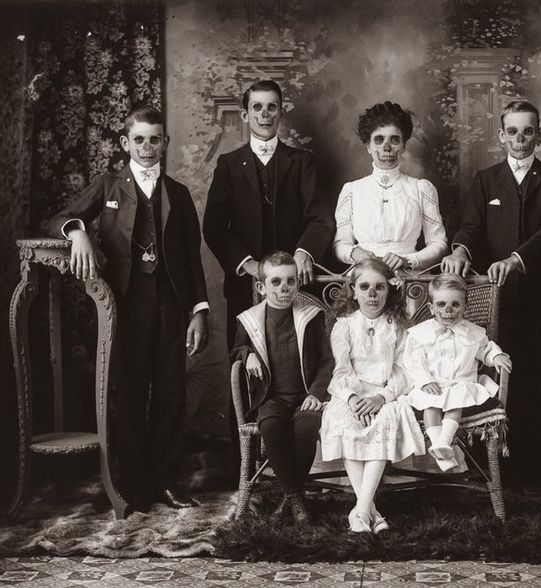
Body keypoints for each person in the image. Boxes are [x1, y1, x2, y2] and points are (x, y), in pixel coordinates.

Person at [48, 104, 209, 512]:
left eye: (155, 139)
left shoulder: (179, 193)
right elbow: (60, 218)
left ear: (165, 143)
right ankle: (134, 484)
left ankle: (167, 482)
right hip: (127, 304)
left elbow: (192, 258)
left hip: (172, 304)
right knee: (131, 393)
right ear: (126, 143)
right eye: (139, 139)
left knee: (172, 393)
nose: (147, 146)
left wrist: (199, 311)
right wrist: (78, 232)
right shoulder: (107, 187)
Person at [441, 100, 541, 484]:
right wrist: (460, 249)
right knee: (492, 376)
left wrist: (515, 260)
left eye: (527, 131)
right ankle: (493, 467)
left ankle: (534, 467)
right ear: (501, 135)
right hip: (493, 298)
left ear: (538, 134)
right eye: (512, 131)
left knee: (534, 377)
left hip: (536, 296)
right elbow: (470, 225)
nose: (520, 138)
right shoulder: (486, 179)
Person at [203, 79, 335, 347]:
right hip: (245, 286)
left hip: (296, 284)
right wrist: (248, 265)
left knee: (299, 356)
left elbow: (320, 218)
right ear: (245, 114)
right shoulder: (228, 165)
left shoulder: (301, 162)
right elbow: (214, 227)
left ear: (281, 113)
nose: (265, 114)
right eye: (257, 107)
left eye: (271, 107)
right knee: (245, 359)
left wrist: (303, 253)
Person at [320, 259, 425, 533]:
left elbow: (403, 370)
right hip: (351, 395)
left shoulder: (397, 326)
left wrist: (382, 397)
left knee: (386, 419)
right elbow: (340, 370)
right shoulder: (344, 326)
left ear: (389, 290)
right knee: (346, 421)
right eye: (365, 287)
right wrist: (353, 398)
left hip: (385, 395)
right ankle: (372, 513)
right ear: (353, 290)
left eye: (379, 287)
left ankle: (361, 511)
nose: (372, 294)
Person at [232, 251, 334, 524]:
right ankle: (296, 499)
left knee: (307, 428)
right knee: (271, 428)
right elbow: (236, 350)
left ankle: (290, 498)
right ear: (261, 287)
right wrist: (247, 354)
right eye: (276, 282)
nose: (284, 288)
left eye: (290, 281)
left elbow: (326, 361)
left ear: (298, 283)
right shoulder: (250, 319)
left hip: (305, 397)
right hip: (272, 398)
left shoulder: (310, 317)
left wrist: (315, 393)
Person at [404, 274, 513, 471]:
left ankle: (443, 441)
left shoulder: (473, 331)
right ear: (431, 308)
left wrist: (496, 357)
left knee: (457, 400)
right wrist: (424, 381)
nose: (448, 310)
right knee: (430, 403)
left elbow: (485, 349)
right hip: (432, 384)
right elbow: (412, 361)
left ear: (465, 307)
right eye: (441, 304)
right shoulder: (420, 333)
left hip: (461, 383)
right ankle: (439, 445)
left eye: (455, 304)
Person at [333, 101, 448, 273]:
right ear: (368, 147)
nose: (387, 148)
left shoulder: (421, 188)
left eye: (394, 140)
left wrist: (408, 260)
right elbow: (340, 244)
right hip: (364, 278)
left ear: (403, 146)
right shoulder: (352, 191)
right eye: (379, 140)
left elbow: (439, 243)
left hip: (410, 279)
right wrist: (354, 252)